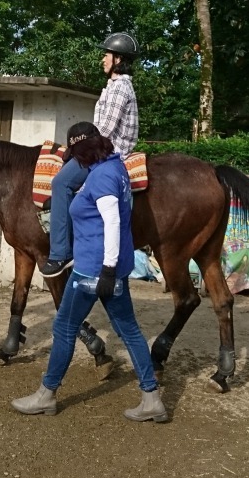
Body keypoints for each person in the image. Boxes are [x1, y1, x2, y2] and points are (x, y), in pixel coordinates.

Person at [13, 123, 167, 423]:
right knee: (130, 331)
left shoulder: (102, 177)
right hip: (110, 266)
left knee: (64, 328)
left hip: (93, 270)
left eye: (76, 154)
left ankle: (46, 395)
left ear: (84, 151)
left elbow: (110, 222)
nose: (76, 162)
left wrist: (106, 270)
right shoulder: (116, 168)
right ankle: (151, 399)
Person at [41, 32, 139, 279]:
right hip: (100, 148)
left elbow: (104, 131)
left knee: (60, 182)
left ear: (118, 59)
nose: (102, 60)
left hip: (105, 153)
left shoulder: (119, 88)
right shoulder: (114, 86)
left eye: (106, 55)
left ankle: (60, 252)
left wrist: (76, 148)